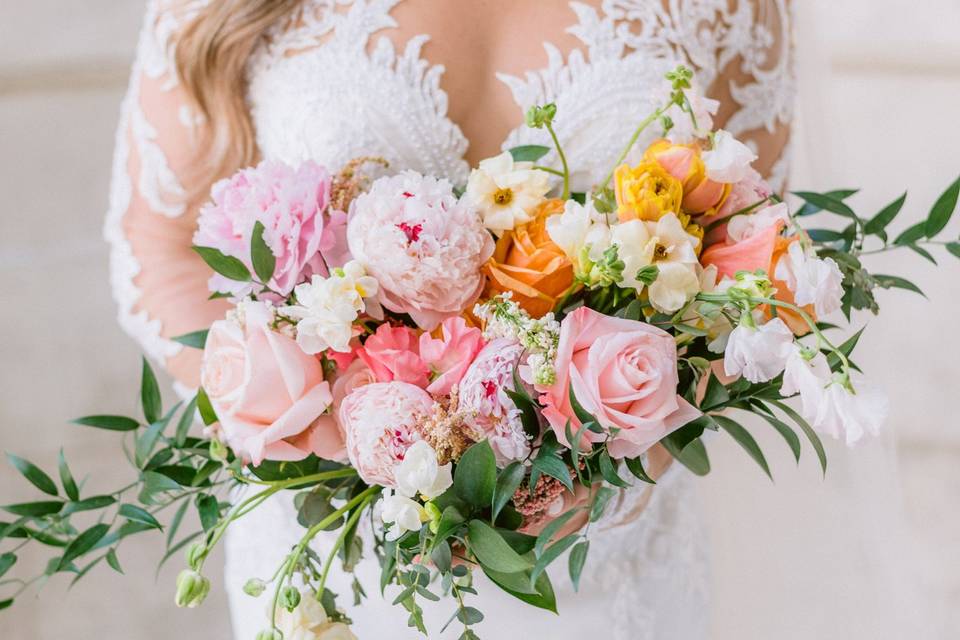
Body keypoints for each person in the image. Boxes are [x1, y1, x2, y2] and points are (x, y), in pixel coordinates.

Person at [106, 1, 794, 638]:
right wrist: (313, 438)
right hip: (335, 568)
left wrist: (630, 455)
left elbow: (755, 256)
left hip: (603, 561)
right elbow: (160, 249)